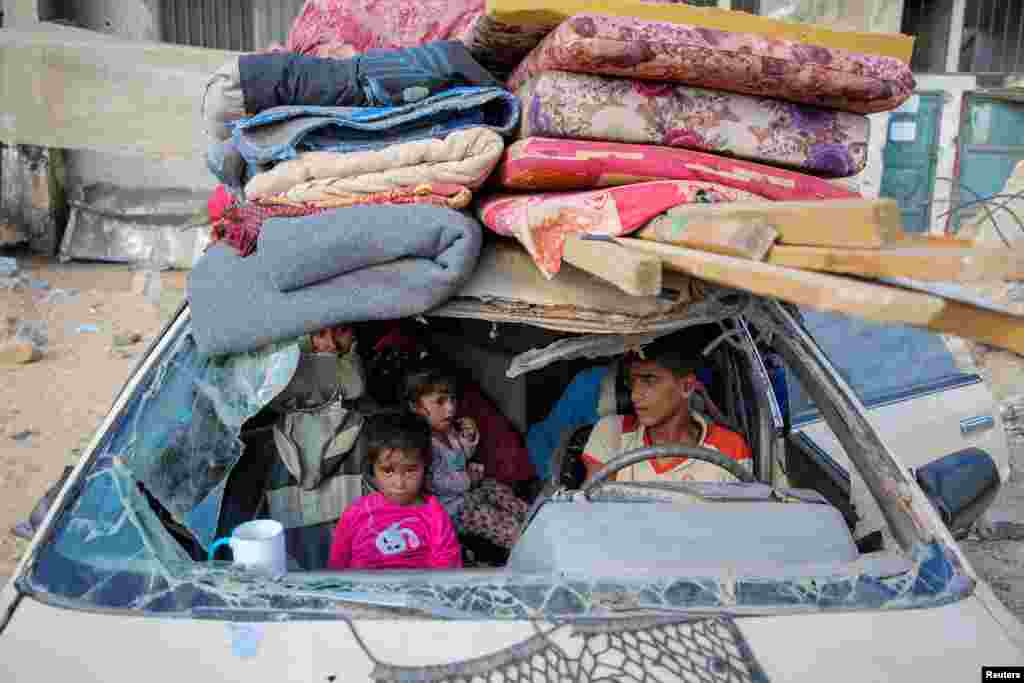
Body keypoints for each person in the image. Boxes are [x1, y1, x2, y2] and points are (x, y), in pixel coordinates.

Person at [582, 338, 752, 483]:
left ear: (687, 386)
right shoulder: (612, 432)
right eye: (632, 381)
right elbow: (596, 511)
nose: (634, 395)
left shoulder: (730, 448)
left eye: (649, 380)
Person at [406, 368, 528, 549]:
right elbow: (434, 483)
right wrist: (467, 479)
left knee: (499, 491)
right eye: (440, 402)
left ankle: (533, 517)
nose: (450, 408)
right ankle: (524, 542)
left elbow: (460, 458)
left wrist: (467, 439)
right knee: (497, 521)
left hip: (467, 491)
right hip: (453, 508)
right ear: (416, 407)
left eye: (452, 400)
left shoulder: (447, 431)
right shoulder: (423, 444)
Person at [327, 412, 462, 570]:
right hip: (363, 592)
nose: (399, 483)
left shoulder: (434, 515)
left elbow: (446, 571)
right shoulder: (355, 513)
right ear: (372, 469)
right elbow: (336, 567)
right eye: (388, 471)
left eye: (410, 470)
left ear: (425, 465)